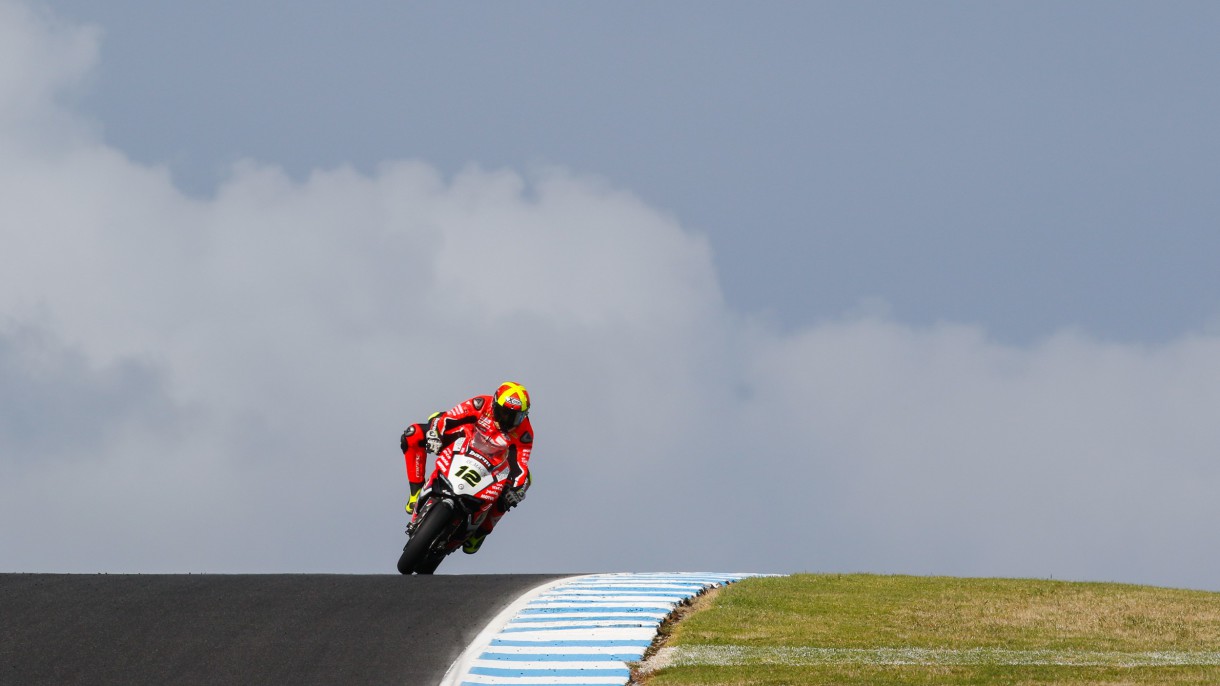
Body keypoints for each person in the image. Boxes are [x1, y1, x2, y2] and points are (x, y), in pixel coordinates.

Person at [399, 381, 533, 554]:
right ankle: (415, 494)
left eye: (515, 416)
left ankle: (481, 533)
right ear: (494, 404)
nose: (508, 420)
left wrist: (516, 489)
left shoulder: (524, 433)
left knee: (521, 484)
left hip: (491, 466)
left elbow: (520, 465)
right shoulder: (481, 404)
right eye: (504, 413)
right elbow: (448, 418)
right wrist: (435, 434)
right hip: (462, 443)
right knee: (413, 434)